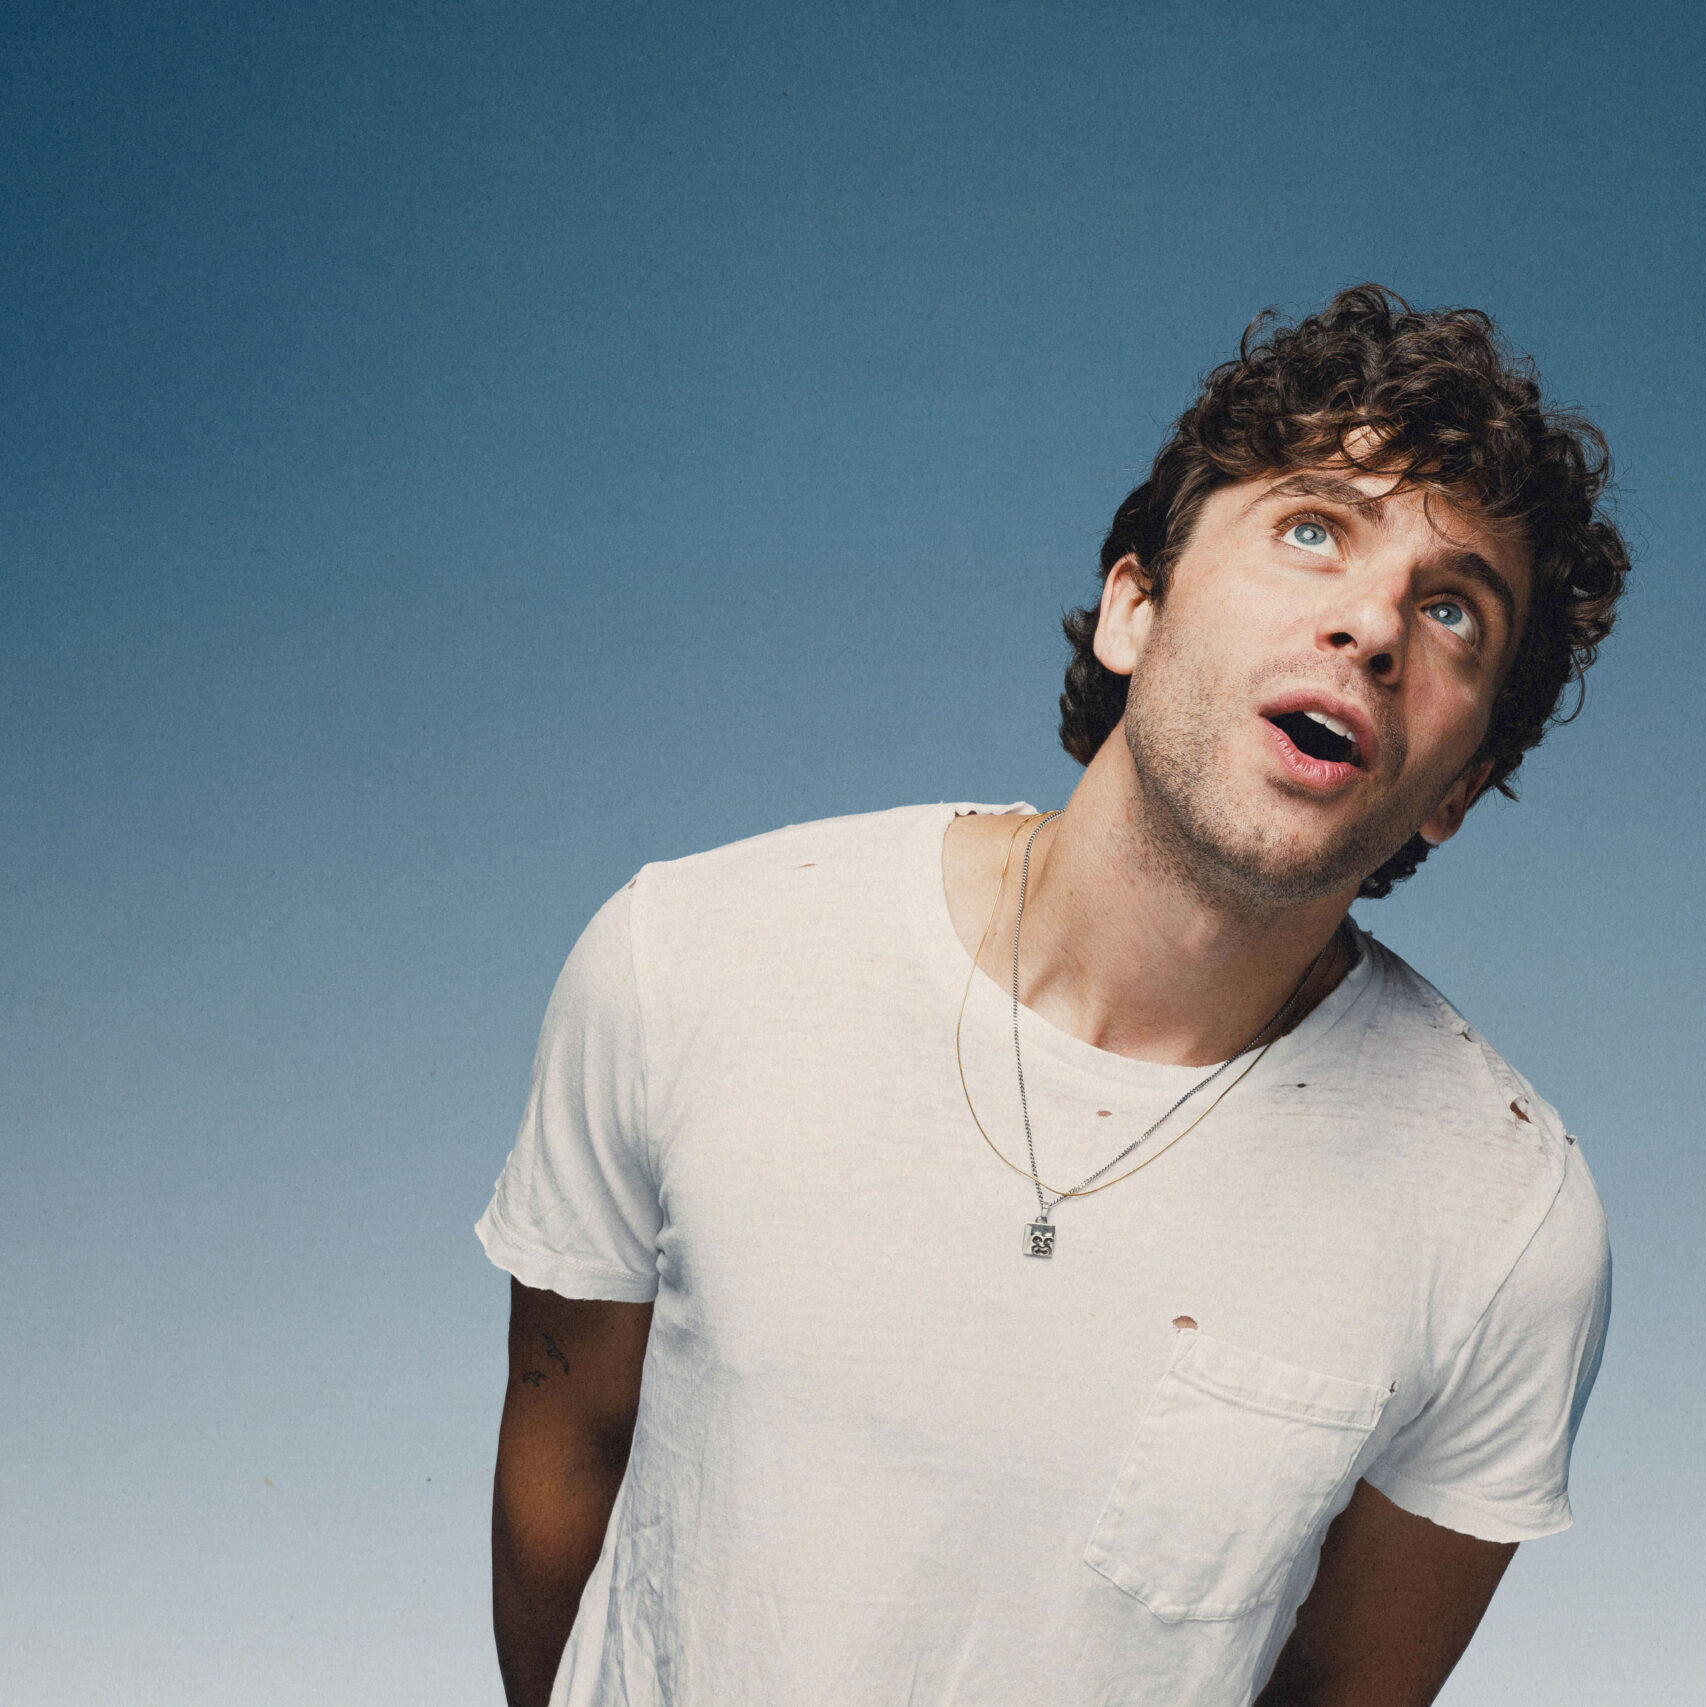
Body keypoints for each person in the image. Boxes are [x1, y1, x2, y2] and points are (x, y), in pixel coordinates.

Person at [479, 284, 1633, 1707]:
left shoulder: (1506, 1221)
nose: (1372, 625)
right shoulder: (692, 958)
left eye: (1453, 610)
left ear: (1458, 788)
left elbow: (1348, 1688)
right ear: (1136, 607)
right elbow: (563, 1466)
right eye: (1312, 529)